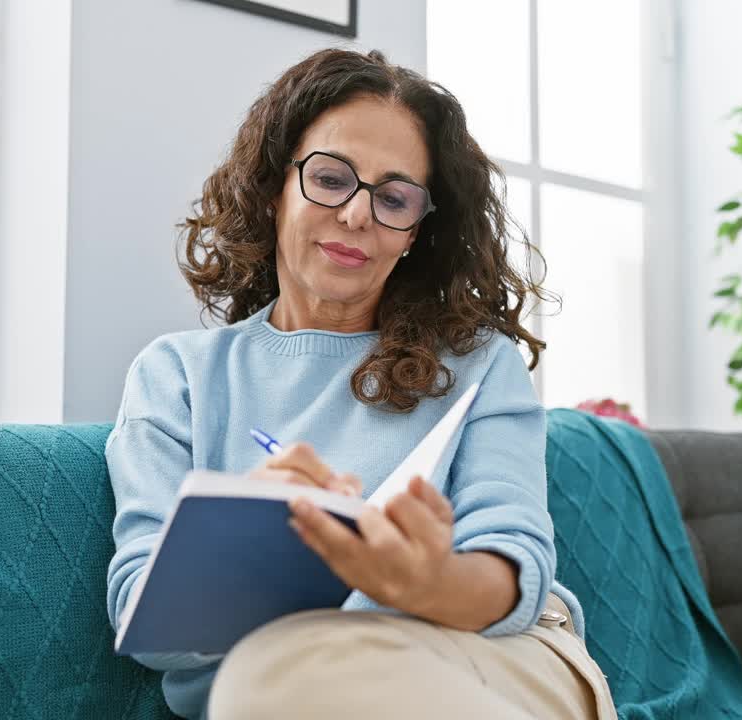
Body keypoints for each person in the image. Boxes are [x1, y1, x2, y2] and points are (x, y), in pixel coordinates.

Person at [105, 47, 617, 720]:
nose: (356, 216)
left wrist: (422, 580)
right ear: (271, 191)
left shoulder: (478, 364)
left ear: (416, 233)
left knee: (280, 677)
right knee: (276, 675)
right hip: (284, 683)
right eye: (330, 178)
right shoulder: (177, 375)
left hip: (494, 655)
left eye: (394, 197)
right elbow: (144, 618)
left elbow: (512, 573)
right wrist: (242, 539)